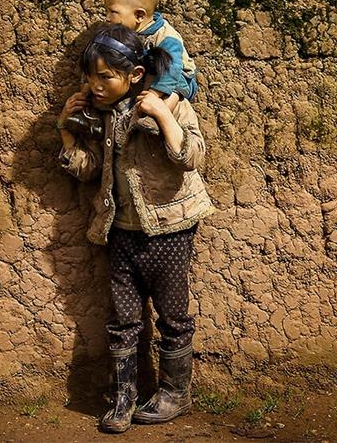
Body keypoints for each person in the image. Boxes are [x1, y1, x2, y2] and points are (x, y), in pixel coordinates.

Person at [56, 23, 215, 432]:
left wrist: (161, 114)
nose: (95, 85)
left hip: (170, 230)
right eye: (90, 77)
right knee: (123, 318)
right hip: (121, 231)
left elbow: (191, 156)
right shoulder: (101, 115)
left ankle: (176, 393)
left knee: (172, 315)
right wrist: (67, 134)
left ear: (135, 75)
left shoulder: (172, 103)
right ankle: (124, 395)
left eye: (105, 76)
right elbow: (90, 171)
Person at [63, 0, 199, 139]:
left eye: (113, 12)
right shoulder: (127, 33)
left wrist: (154, 95)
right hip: (147, 76)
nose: (107, 17)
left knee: (175, 90)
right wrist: (85, 90)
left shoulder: (165, 37)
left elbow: (172, 69)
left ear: (139, 15)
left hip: (179, 75)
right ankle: (90, 120)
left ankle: (154, 119)